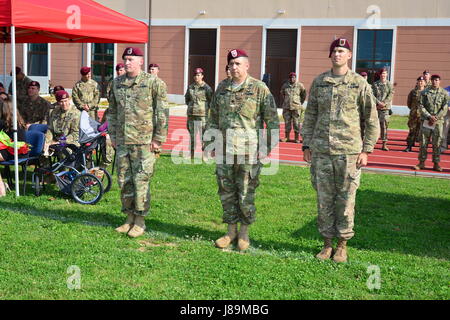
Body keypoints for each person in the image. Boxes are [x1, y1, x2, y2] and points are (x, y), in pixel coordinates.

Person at [302, 38, 380, 263]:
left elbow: (371, 118)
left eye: (342, 51)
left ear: (349, 56)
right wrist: (307, 144)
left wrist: (367, 150)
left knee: (346, 201)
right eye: (334, 51)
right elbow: (311, 116)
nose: (337, 54)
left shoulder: (359, 83)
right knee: (324, 200)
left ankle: (342, 245)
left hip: (349, 153)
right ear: (330, 55)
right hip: (322, 152)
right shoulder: (320, 82)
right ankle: (327, 244)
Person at [207, 49, 279, 251]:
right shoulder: (222, 88)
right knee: (226, 192)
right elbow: (213, 117)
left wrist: (265, 148)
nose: (234, 67)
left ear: (247, 65)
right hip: (224, 151)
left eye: (238, 63)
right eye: (231, 64)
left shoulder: (259, 89)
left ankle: (244, 232)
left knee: (246, 193)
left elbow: (272, 121)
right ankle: (231, 231)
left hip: (249, 152)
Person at [108, 47, 169, 238]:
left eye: (131, 59)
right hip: (123, 141)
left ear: (141, 61)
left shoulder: (153, 83)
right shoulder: (116, 83)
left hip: (144, 142)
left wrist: (158, 139)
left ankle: (140, 221)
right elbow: (112, 111)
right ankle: (128, 218)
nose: (127, 63)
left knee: (141, 181)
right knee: (124, 180)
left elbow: (162, 112)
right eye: (125, 59)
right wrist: (113, 136)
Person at [414, 75, 449, 172]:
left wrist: (436, 117)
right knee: (423, 142)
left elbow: (445, 107)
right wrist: (429, 116)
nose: (435, 82)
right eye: (433, 80)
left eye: (437, 80)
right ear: (431, 81)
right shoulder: (424, 92)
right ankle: (421, 163)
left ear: (439, 81)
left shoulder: (444, 93)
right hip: (426, 121)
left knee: (437, 143)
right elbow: (421, 106)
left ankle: (436, 164)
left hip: (438, 122)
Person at [0, 98, 28, 196]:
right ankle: (2, 185)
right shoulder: (3, 123)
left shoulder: (16, 125)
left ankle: (1, 188)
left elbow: (19, 144)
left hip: (16, 152)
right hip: (6, 150)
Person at [184, 67, 213, 160]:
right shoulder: (190, 87)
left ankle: (205, 155)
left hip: (202, 116)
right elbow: (187, 99)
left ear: (202, 76)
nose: (197, 77)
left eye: (198, 75)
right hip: (192, 115)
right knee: (192, 136)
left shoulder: (207, 88)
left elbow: (211, 100)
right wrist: (191, 106)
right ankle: (191, 154)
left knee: (204, 136)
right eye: (195, 75)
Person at [45, 90, 80, 154]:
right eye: (61, 102)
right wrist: (47, 142)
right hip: (55, 141)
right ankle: (45, 164)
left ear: (69, 99)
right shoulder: (54, 112)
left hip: (70, 142)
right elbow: (50, 129)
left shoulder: (76, 113)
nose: (64, 104)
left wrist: (60, 142)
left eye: (66, 101)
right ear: (58, 102)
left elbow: (75, 134)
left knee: (63, 150)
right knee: (43, 148)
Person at [280, 72, 307, 143]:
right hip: (287, 107)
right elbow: (282, 94)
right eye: (291, 77)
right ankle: (286, 137)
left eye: (294, 77)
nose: (292, 79)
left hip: (296, 107)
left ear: (295, 78)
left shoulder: (300, 85)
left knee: (296, 122)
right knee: (287, 122)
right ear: (289, 78)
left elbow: (304, 95)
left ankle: (296, 138)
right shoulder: (285, 85)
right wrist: (286, 101)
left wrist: (300, 102)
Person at [372, 68, 394, 151]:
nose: (383, 75)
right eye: (382, 73)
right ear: (380, 74)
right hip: (376, 108)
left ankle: (384, 144)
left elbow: (390, 95)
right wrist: (378, 103)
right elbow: (372, 95)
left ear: (387, 74)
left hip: (385, 108)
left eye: (385, 73)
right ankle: (373, 142)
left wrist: (384, 103)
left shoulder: (389, 85)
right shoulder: (375, 84)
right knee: (374, 126)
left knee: (384, 126)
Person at [404, 76, 426, 152]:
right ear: (417, 82)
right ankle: (409, 146)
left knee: (422, 132)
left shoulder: (427, 92)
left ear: (425, 83)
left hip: (423, 116)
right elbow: (409, 103)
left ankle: (421, 148)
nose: (420, 83)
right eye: (419, 81)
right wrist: (414, 110)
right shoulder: (413, 92)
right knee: (412, 131)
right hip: (413, 115)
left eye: (422, 81)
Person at [440, 85, 450, 153]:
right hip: (447, 113)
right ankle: (443, 147)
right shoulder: (445, 90)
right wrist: (448, 106)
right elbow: (442, 101)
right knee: (444, 131)